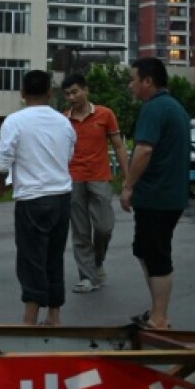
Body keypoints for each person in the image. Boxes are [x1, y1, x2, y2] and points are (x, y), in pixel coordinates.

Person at [0, 70, 76, 326]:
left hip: (32, 199)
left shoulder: (15, 121)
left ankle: (29, 321)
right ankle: (54, 316)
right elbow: (69, 155)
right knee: (54, 256)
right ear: (50, 93)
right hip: (62, 197)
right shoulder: (64, 122)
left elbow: (3, 160)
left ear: (22, 93)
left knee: (31, 259)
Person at [120, 57, 190, 330]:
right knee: (146, 251)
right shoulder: (175, 108)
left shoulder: (153, 109)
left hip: (158, 197)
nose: (131, 85)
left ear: (148, 81)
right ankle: (155, 312)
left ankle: (160, 318)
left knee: (157, 255)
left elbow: (144, 150)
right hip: (169, 195)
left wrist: (127, 186)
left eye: (133, 79)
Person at [62, 73, 130, 294]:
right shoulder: (63, 119)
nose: (71, 97)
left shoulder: (105, 114)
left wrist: (127, 176)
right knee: (80, 231)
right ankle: (87, 277)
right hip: (73, 178)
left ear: (85, 90)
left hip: (99, 176)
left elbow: (119, 146)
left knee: (103, 227)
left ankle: (97, 261)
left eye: (75, 92)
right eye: (67, 94)